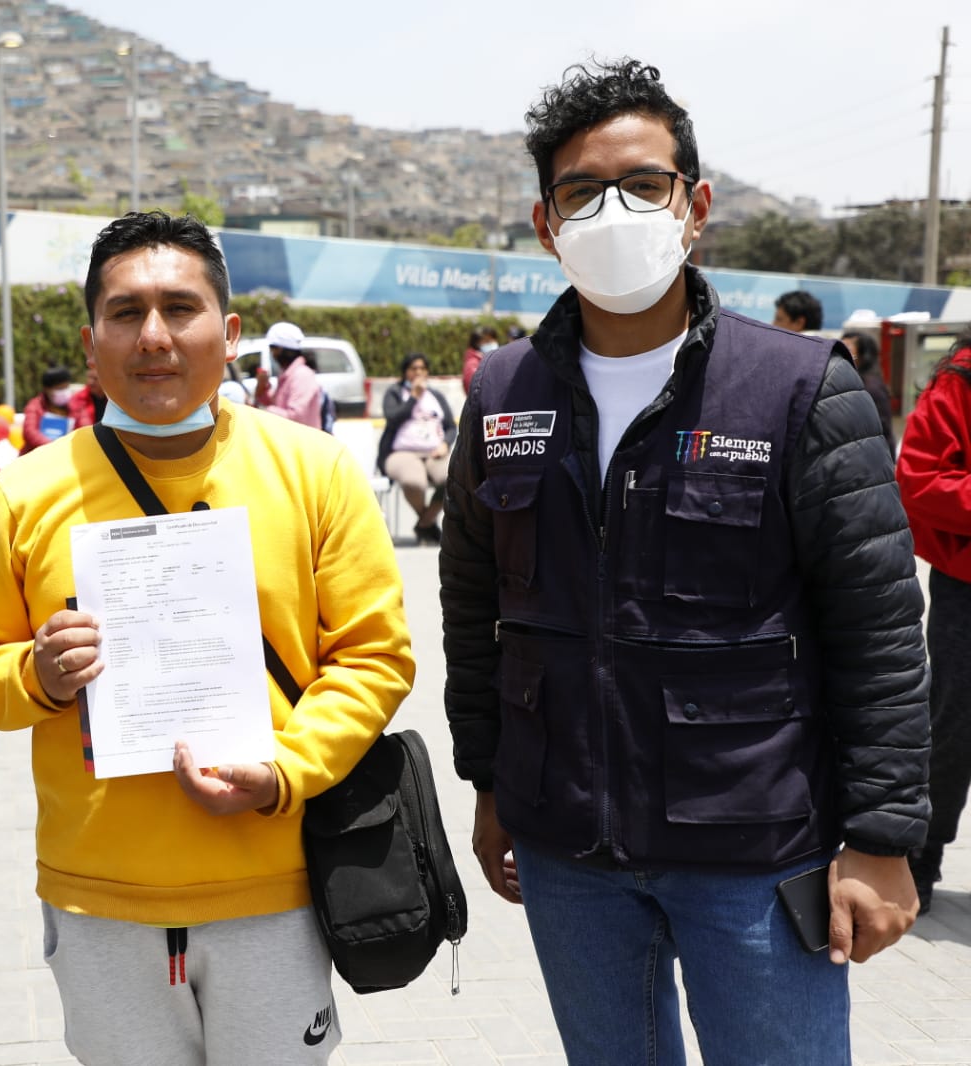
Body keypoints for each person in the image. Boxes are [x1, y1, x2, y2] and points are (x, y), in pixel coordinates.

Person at [440, 59, 928, 1066]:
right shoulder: (501, 392)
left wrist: (881, 836)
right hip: (566, 851)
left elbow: (876, 626)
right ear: (545, 225)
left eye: (644, 184)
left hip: (752, 848)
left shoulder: (799, 389)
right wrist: (490, 782)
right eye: (579, 191)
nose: (612, 210)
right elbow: (471, 606)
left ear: (694, 205)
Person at [0, 211, 414, 1065]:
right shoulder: (25, 493)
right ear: (90, 341)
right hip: (99, 899)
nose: (153, 336)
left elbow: (374, 657)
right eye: (125, 313)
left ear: (228, 334)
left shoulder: (316, 471)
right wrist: (37, 676)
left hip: (275, 885)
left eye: (179, 309)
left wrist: (286, 775)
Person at [895, 328, 971, 914]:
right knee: (952, 726)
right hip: (967, 588)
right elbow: (919, 480)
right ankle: (920, 856)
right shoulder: (961, 378)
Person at [377, 352, 456, 545]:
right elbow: (393, 418)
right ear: (405, 372)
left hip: (433, 451)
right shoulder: (395, 393)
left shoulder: (435, 395)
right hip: (401, 452)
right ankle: (428, 524)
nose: (418, 372)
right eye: (414, 368)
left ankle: (424, 522)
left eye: (422, 368)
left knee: (453, 479)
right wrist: (413, 397)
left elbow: (450, 426)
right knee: (414, 482)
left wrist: (445, 443)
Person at [250, 321, 322, 429]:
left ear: (283, 350)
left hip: (303, 443)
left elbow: (295, 416)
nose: (272, 354)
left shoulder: (301, 375)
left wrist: (263, 410)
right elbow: (277, 404)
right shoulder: (288, 374)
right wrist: (262, 387)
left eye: (274, 349)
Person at [841, 330, 895, 454]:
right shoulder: (848, 381)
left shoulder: (871, 387)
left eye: (848, 349)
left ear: (863, 355)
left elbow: (883, 430)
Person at [20, 365, 80, 453]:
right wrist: (54, 447)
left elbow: (84, 425)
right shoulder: (35, 406)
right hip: (38, 456)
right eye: (60, 388)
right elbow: (30, 432)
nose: (64, 392)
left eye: (66, 387)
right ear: (47, 389)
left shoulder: (75, 406)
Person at [461, 325, 500, 393]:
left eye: (493, 340)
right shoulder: (473, 363)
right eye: (487, 341)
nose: (492, 344)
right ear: (476, 343)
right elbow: (474, 390)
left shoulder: (487, 359)